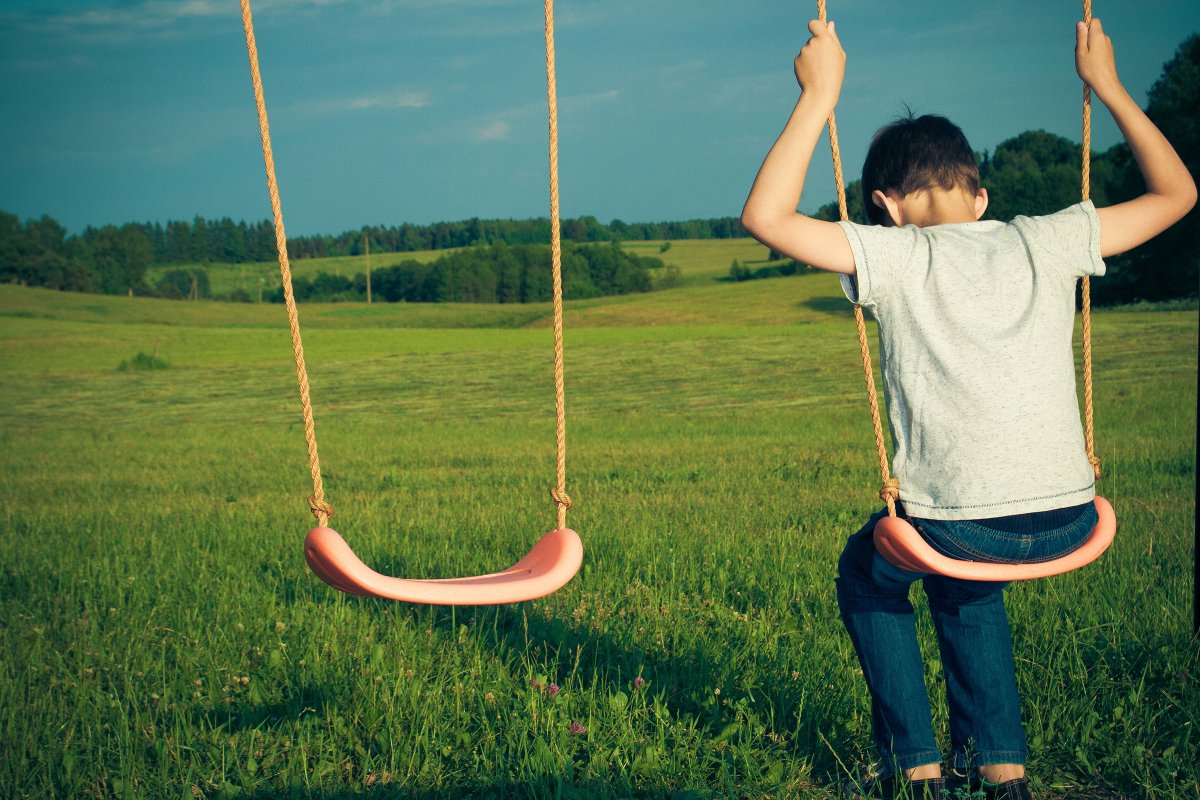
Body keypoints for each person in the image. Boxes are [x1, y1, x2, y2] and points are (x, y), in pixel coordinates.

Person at [740, 17, 1195, 800]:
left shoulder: (896, 253)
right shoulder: (1046, 239)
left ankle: (914, 765)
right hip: (1072, 516)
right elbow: (1179, 192)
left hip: (958, 523)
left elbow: (766, 219)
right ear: (978, 193)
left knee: (870, 574)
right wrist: (1109, 85)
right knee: (964, 579)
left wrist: (820, 96)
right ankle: (1001, 769)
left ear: (884, 204)